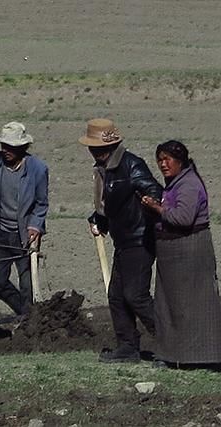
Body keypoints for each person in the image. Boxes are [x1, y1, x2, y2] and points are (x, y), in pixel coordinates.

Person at [79, 118, 163, 363]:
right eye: (92, 147)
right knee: (116, 295)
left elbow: (154, 191)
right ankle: (127, 346)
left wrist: (149, 207)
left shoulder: (131, 165)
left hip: (140, 239)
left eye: (97, 146)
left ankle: (170, 344)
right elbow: (110, 205)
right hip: (123, 241)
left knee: (135, 295)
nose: (94, 151)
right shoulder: (103, 170)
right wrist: (98, 220)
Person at [141, 140, 221, 368]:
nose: (163, 164)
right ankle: (172, 354)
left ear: (181, 161)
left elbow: (183, 218)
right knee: (170, 306)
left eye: (168, 159)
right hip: (173, 254)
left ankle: (202, 357)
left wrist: (156, 208)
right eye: (160, 159)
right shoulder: (175, 182)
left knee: (195, 305)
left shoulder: (189, 185)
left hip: (190, 251)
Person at [0, 122, 49, 317]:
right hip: (1, 232)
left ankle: (29, 320)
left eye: (11, 147)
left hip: (24, 235)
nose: (6, 151)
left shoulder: (38, 169)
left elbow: (42, 203)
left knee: (28, 285)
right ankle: (26, 314)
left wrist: (35, 226)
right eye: (4, 146)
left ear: (22, 147)